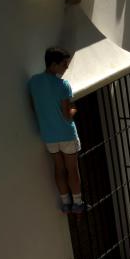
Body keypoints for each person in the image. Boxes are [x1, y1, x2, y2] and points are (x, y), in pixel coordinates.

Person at [29, 47, 85, 214]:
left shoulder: (33, 82)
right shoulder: (63, 85)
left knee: (58, 169)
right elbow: (68, 116)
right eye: (63, 64)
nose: (66, 67)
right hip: (66, 135)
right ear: (53, 64)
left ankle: (65, 203)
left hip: (49, 136)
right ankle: (78, 203)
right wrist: (75, 108)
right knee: (72, 170)